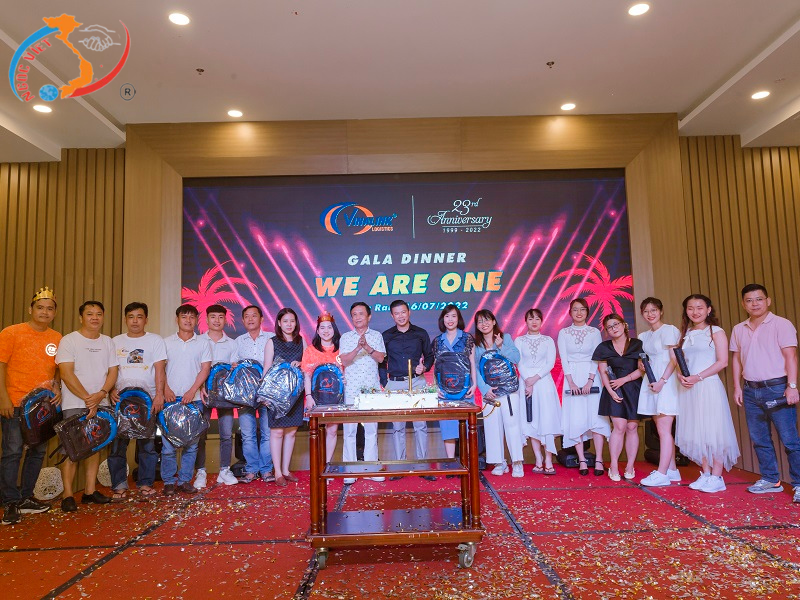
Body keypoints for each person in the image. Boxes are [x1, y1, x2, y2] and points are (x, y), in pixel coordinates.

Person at [730, 284, 800, 502]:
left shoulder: (782, 324)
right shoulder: (738, 328)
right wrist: (737, 387)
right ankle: (771, 479)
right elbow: (736, 359)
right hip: (750, 390)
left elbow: (791, 356)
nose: (755, 304)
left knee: (790, 441)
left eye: (759, 299)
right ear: (743, 304)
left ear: (768, 301)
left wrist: (792, 386)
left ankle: (799, 484)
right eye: (749, 300)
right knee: (759, 439)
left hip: (778, 388)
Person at [0, 287, 62, 525]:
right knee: (13, 452)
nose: (45, 312)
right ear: (30, 309)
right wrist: (3, 398)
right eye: (40, 307)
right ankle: (10, 501)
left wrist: (57, 387)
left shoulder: (57, 338)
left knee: (37, 452)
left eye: (50, 309)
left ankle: (26, 497)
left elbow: (58, 369)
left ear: (55, 312)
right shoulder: (11, 332)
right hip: (14, 403)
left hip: (42, 407)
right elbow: (1, 365)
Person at [56, 300, 118, 511]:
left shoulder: (107, 341)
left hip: (101, 402)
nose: (95, 318)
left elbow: (113, 371)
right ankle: (68, 495)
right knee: (71, 449)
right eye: (90, 314)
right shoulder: (69, 340)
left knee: (95, 446)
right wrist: (87, 398)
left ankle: (90, 492)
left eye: (99, 314)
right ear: (81, 317)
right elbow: (66, 373)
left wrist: (101, 394)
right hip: (75, 402)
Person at [675, 294, 740, 493]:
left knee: (714, 430)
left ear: (708, 309)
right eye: (690, 308)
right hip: (689, 389)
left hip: (708, 386)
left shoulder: (716, 331)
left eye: (700, 307)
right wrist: (681, 376)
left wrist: (698, 377)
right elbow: (681, 361)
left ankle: (717, 477)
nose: (695, 312)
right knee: (698, 431)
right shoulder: (685, 333)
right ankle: (705, 473)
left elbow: (723, 362)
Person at [107, 302, 167, 501]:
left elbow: (160, 369)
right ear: (125, 319)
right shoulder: (115, 341)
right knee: (118, 445)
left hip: (147, 401)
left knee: (147, 445)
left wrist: (159, 394)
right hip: (120, 400)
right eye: (131, 317)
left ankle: (145, 483)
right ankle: (119, 485)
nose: (135, 321)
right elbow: (109, 370)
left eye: (139, 317)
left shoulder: (155, 340)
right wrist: (110, 390)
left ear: (146, 320)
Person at [380, 300, 435, 480]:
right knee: (398, 426)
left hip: (417, 382)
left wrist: (424, 367)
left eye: (403, 312)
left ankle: (423, 466)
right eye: (397, 313)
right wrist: (384, 382)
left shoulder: (420, 333)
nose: (401, 316)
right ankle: (400, 466)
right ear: (392, 315)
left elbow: (429, 355)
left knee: (421, 425)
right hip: (395, 384)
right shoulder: (386, 336)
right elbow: (381, 361)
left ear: (409, 312)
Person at [162, 304, 212, 495]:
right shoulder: (166, 342)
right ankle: (169, 482)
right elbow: (160, 369)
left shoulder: (203, 343)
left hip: (194, 400)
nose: (188, 320)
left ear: (196, 320)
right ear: (177, 319)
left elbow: (205, 369)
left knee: (191, 446)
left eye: (192, 317)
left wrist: (192, 391)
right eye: (184, 317)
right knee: (168, 446)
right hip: (170, 399)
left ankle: (184, 481)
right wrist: (166, 389)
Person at [557, 298, 608, 476]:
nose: (579, 313)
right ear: (570, 312)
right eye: (575, 309)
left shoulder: (594, 332)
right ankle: (582, 460)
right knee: (575, 418)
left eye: (582, 309)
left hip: (591, 376)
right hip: (572, 376)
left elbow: (597, 356)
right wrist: (571, 382)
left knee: (596, 418)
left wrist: (590, 380)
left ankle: (599, 458)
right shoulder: (563, 333)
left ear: (587, 312)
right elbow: (564, 359)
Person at [637, 297, 682, 487]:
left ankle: (662, 472)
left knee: (664, 429)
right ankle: (672, 470)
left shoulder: (669, 330)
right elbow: (644, 359)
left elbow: (674, 359)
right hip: (651, 382)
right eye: (646, 311)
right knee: (661, 428)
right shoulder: (643, 336)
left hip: (666, 382)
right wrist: (641, 365)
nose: (650, 314)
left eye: (654, 310)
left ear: (661, 311)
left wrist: (663, 381)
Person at [339, 302, 386, 484]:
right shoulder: (346, 337)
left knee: (371, 431)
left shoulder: (376, 335)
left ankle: (371, 469)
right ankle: (350, 471)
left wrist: (367, 346)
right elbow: (344, 361)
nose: (357, 317)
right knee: (349, 431)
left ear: (369, 316)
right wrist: (358, 347)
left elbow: (380, 358)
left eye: (361, 314)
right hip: (351, 389)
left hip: (371, 390)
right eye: (354, 314)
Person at [593, 313, 643, 481]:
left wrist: (625, 379)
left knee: (632, 427)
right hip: (614, 390)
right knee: (619, 427)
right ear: (606, 331)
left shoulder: (637, 344)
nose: (613, 329)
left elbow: (642, 369)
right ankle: (613, 465)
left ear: (624, 324)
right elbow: (603, 372)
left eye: (616, 324)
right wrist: (611, 390)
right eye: (609, 327)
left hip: (633, 388)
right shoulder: (604, 347)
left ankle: (630, 465)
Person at [474, 309, 523, 477]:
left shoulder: (505, 338)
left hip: (509, 390)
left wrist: (501, 346)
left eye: (487, 320)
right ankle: (499, 462)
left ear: (494, 321)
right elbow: (475, 369)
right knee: (492, 427)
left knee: (512, 425)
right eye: (480, 321)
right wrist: (485, 389)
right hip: (490, 393)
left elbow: (516, 358)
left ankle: (517, 462)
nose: (484, 324)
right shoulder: (476, 345)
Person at [196, 304, 238, 488]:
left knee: (226, 434)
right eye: (213, 316)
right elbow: (195, 368)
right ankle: (201, 471)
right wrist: (199, 387)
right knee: (200, 434)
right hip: (203, 392)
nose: (217, 320)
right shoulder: (199, 341)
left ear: (225, 320)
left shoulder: (232, 343)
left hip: (225, 396)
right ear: (206, 319)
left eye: (221, 317)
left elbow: (234, 371)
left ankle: (224, 470)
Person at [515, 308, 561, 475]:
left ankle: (548, 459)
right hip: (525, 382)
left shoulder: (548, 340)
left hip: (544, 383)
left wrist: (534, 379)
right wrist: (527, 381)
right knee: (531, 420)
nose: (534, 322)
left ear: (542, 321)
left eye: (537, 319)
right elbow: (519, 362)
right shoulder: (519, 340)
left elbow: (550, 363)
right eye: (530, 319)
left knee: (546, 420)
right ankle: (538, 459)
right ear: (525, 321)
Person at [263, 308, 306, 487]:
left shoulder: (300, 341)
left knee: (291, 432)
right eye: (285, 321)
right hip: (276, 396)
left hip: (295, 394)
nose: (289, 324)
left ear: (296, 323)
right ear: (279, 323)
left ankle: (286, 470)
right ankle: (278, 472)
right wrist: (265, 395)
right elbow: (266, 368)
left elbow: (306, 364)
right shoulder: (272, 342)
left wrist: (301, 363)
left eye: (292, 321)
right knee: (277, 432)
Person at [232, 305, 275, 484]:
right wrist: (234, 366)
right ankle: (251, 469)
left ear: (261, 319)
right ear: (243, 320)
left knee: (268, 433)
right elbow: (233, 365)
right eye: (247, 316)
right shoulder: (238, 341)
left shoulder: (271, 338)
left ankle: (266, 469)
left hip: (267, 393)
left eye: (254, 316)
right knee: (247, 434)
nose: (250, 319)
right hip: (245, 395)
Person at [432, 304, 477, 460]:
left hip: (465, 390)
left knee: (467, 429)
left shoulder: (467, 338)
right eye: (447, 316)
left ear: (459, 319)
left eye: (453, 316)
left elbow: (472, 362)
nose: (450, 320)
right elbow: (436, 366)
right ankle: (451, 462)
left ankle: (467, 463)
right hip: (445, 391)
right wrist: (436, 388)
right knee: (448, 429)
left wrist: (474, 384)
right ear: (442, 319)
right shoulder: (438, 341)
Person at [301, 312, 343, 463]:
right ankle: (317, 464)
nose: (326, 331)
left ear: (334, 329)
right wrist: (308, 397)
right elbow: (307, 375)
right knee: (317, 431)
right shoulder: (310, 350)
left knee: (332, 430)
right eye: (322, 328)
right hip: (316, 397)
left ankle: (327, 464)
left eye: (329, 327)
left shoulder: (341, 349)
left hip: (336, 398)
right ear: (317, 331)